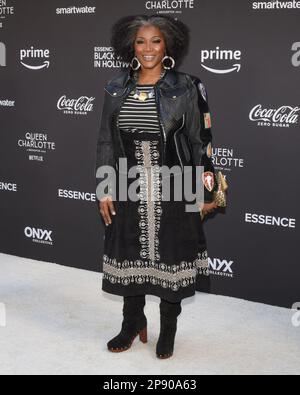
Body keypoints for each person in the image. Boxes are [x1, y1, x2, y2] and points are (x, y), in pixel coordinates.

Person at [95, 14, 218, 359]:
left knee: (172, 261)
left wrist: (203, 191)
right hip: (126, 185)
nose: (148, 49)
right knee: (128, 256)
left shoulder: (187, 86)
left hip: (174, 186)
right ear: (129, 46)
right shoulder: (115, 86)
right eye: (140, 41)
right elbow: (106, 140)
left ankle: (169, 329)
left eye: (155, 41)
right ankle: (132, 322)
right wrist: (105, 187)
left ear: (168, 45)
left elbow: (200, 142)